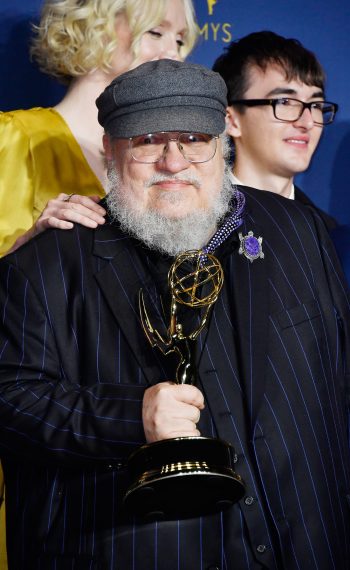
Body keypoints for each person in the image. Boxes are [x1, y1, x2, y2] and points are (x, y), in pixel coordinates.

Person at [0, 59, 349, 569]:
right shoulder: (47, 261)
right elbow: (9, 400)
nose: (174, 161)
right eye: (147, 140)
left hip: (308, 546)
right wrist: (129, 416)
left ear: (221, 144)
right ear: (110, 151)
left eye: (193, 138)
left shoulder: (298, 232)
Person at [0, 0, 197, 256]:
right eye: (155, 32)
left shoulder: (167, 161)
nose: (175, 54)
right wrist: (30, 243)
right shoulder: (15, 137)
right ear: (95, 28)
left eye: (180, 41)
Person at [212, 31, 338, 230]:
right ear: (231, 121)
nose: (307, 123)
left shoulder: (330, 237)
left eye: (315, 105)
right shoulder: (197, 223)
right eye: (286, 102)